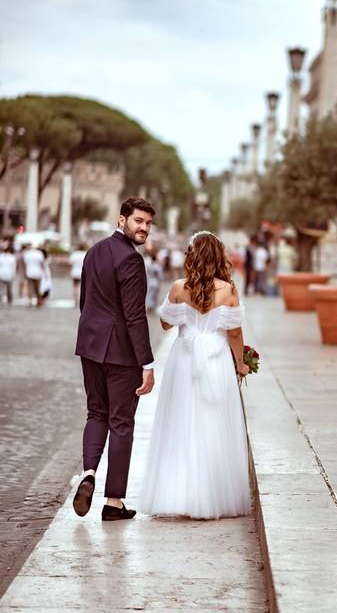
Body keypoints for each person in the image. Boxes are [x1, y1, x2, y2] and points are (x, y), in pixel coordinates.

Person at [139, 231, 251, 519]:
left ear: (191, 256)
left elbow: (164, 324)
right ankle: (212, 494)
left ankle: (177, 493)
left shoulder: (178, 288)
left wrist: (184, 317)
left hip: (184, 359)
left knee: (180, 422)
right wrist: (240, 362)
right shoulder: (228, 291)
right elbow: (235, 333)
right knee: (213, 423)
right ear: (218, 257)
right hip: (216, 358)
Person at [72, 197, 156, 522]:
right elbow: (135, 317)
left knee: (96, 413)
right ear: (122, 220)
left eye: (148, 223)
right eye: (138, 221)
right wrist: (147, 363)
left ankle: (89, 473)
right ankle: (114, 501)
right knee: (121, 423)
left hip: (90, 346)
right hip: (120, 354)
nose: (143, 228)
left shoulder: (94, 252)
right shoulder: (131, 260)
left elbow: (85, 302)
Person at [21, 243, 47, 308]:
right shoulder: (39, 254)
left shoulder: (27, 254)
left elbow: (25, 264)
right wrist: (45, 273)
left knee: (30, 288)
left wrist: (25, 273)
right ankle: (39, 301)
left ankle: (30, 300)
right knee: (37, 288)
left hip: (29, 273)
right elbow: (42, 264)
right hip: (38, 273)